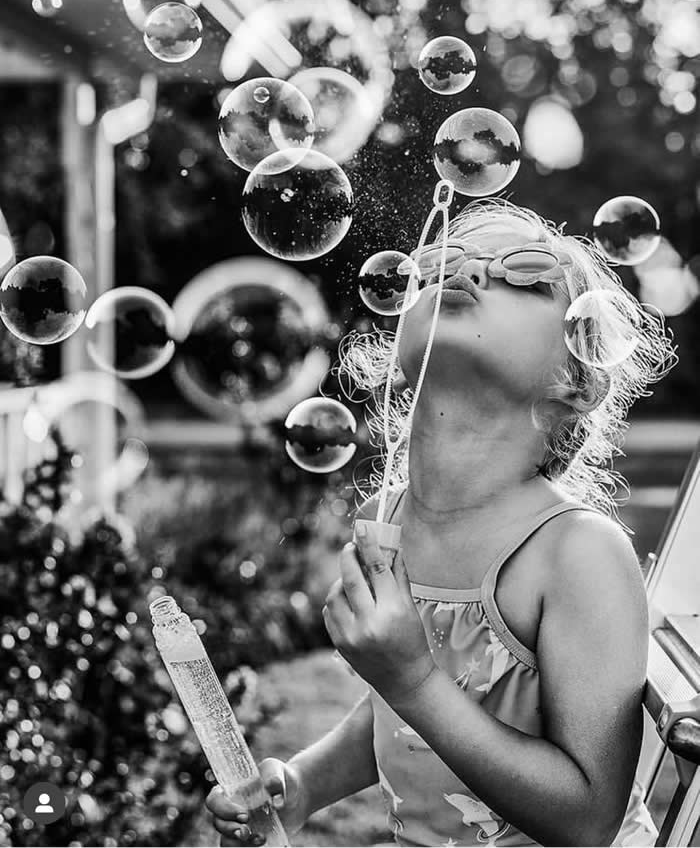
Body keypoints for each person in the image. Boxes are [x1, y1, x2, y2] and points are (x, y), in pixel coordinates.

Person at [206, 199, 676, 846]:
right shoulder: (386, 519)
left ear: (577, 380)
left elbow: (589, 817)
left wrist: (415, 681)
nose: (469, 274)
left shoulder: (573, 554)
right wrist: (306, 782)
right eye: (441, 264)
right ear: (397, 350)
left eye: (527, 277)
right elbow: (399, 715)